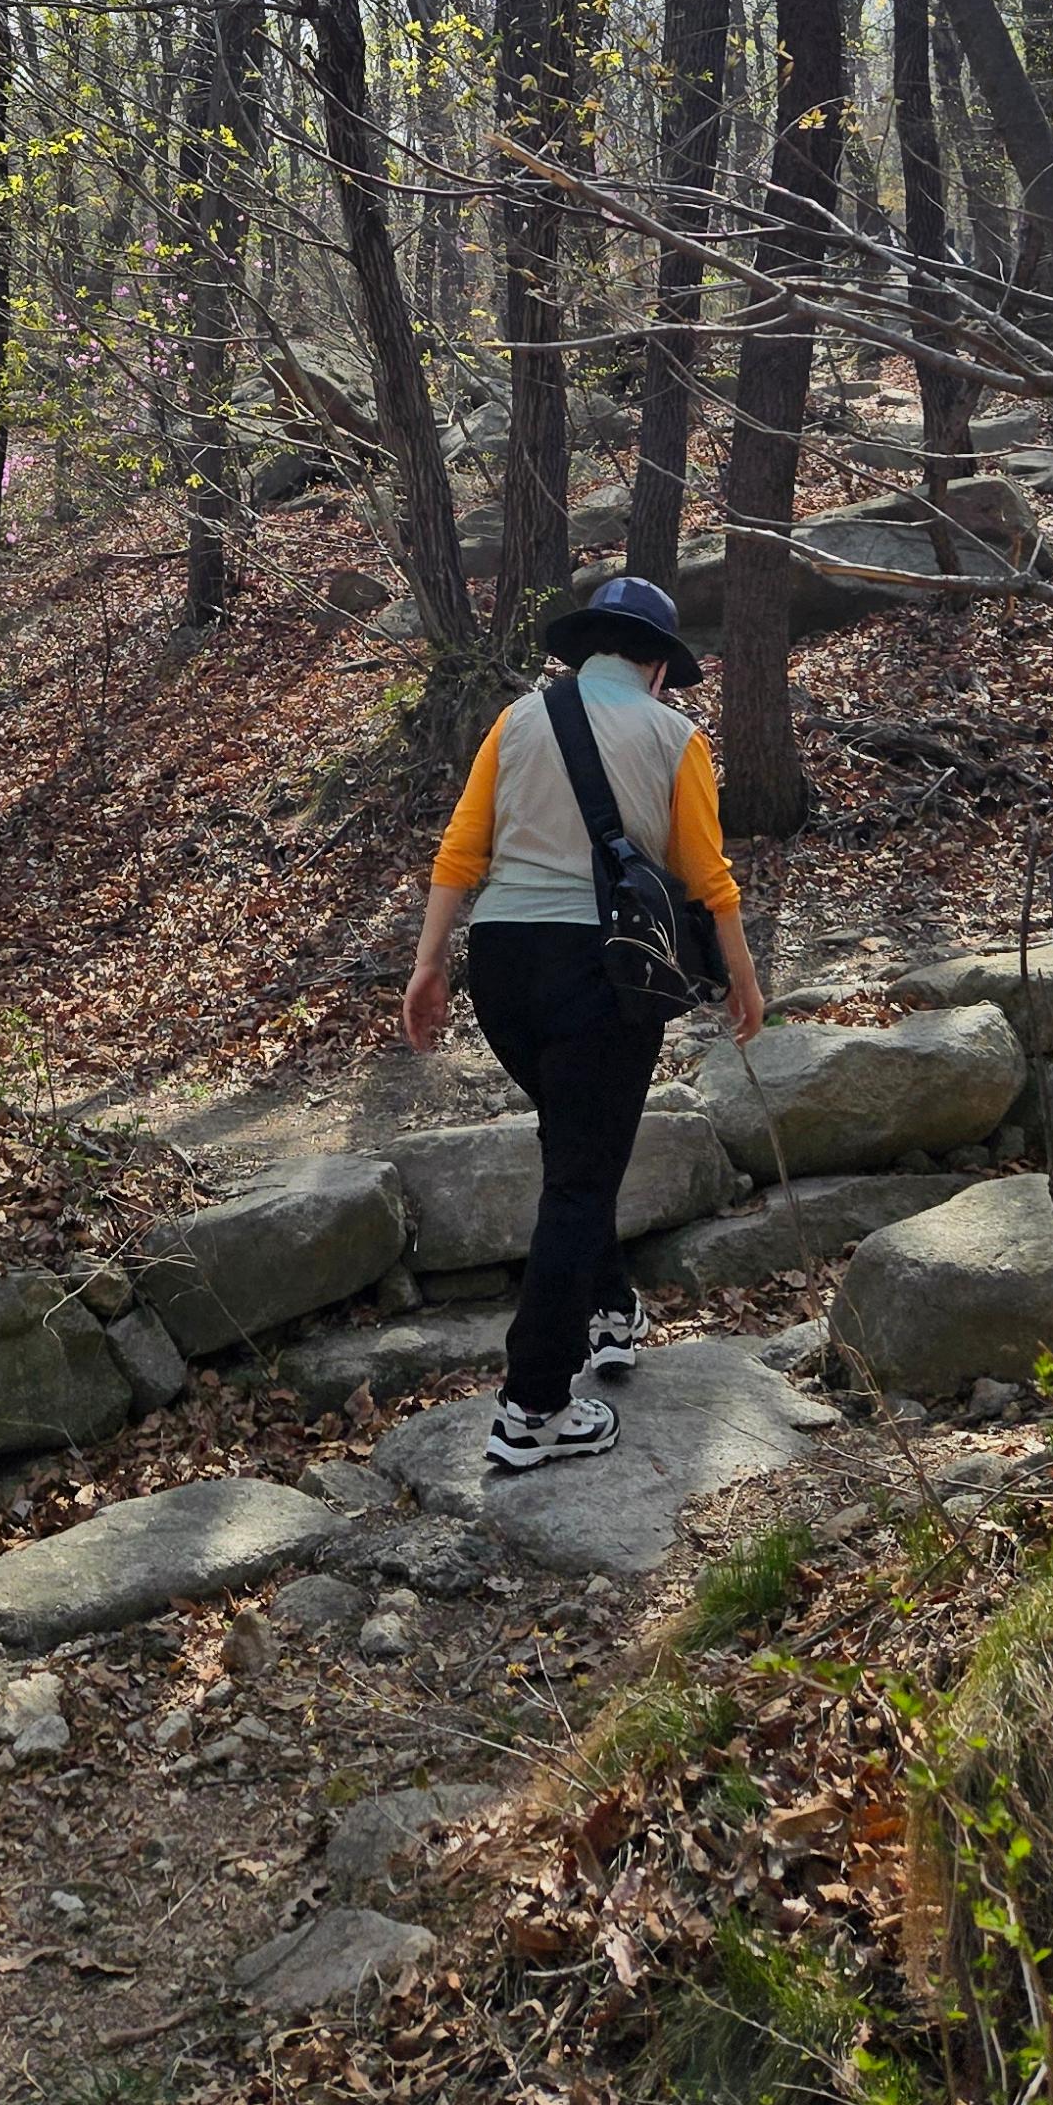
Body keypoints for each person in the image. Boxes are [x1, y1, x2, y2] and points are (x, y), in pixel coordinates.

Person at [401, 572, 765, 1475]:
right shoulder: (676, 735)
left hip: (501, 964)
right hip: (601, 969)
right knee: (579, 1178)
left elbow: (462, 846)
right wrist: (744, 978)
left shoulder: (519, 719)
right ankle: (533, 1408)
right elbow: (704, 873)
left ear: (591, 649)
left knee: (575, 1148)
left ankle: (609, 1308)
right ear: (655, 667)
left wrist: (428, 961)